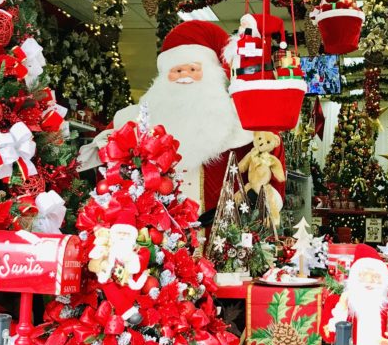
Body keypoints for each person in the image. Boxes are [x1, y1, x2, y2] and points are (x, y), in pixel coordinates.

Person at [80, 20, 278, 221]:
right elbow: (101, 168)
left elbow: (271, 149)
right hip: (151, 239)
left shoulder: (237, 123)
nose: (185, 76)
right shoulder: (131, 119)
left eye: (193, 69)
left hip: (221, 239)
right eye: (177, 71)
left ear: (212, 75)